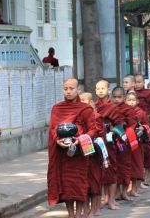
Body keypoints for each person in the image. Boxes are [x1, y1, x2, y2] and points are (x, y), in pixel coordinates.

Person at [47, 78, 97, 218]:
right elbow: (52, 129)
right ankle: (70, 214)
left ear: (78, 90)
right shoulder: (57, 108)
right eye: (65, 88)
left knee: (79, 184)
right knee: (67, 186)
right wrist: (57, 141)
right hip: (63, 154)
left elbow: (93, 130)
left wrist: (79, 140)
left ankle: (79, 214)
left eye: (71, 89)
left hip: (79, 154)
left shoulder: (85, 109)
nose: (68, 92)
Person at [95, 80, 123, 210]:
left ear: (108, 90)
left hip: (109, 142)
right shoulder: (94, 106)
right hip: (98, 143)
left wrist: (112, 131)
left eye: (103, 88)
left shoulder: (113, 107)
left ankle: (111, 200)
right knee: (99, 171)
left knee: (111, 171)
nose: (100, 91)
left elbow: (119, 125)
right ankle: (101, 199)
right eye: (98, 88)